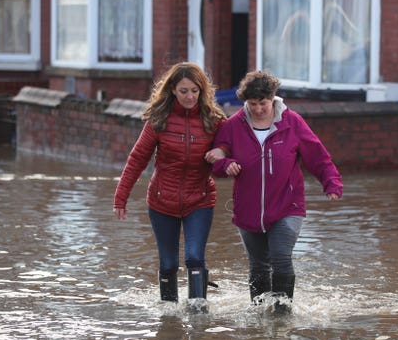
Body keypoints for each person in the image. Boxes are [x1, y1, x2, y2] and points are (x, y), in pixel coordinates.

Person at [205, 71, 342, 313]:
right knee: (258, 266)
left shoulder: (292, 122)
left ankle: (282, 314)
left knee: (280, 259)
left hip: (287, 206)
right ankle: (259, 315)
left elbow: (317, 156)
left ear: (273, 98)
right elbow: (216, 158)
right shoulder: (233, 125)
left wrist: (331, 182)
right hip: (248, 209)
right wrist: (226, 164)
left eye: (263, 103)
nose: (258, 109)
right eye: (252, 104)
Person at [114, 62, 226, 308]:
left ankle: (198, 315)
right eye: (184, 90)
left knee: (195, 257)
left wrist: (222, 152)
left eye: (195, 91)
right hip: (162, 201)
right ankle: (169, 317)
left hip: (200, 200)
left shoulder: (214, 120)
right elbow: (137, 159)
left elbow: (232, 148)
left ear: (202, 91)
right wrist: (120, 198)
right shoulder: (159, 120)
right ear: (173, 90)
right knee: (168, 264)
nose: (190, 96)